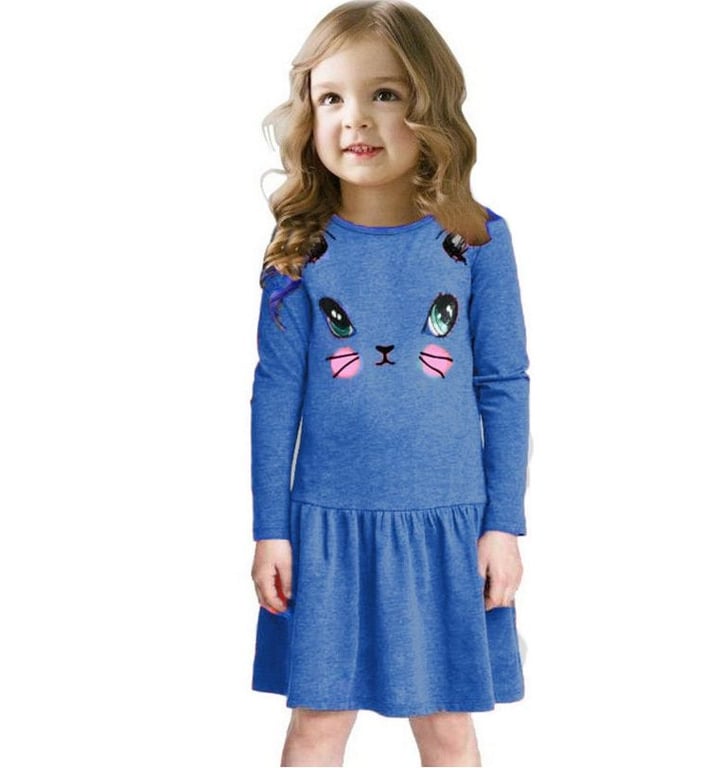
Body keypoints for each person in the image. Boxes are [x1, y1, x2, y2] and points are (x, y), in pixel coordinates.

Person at [249, 1, 530, 765]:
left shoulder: (475, 239)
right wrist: (270, 530)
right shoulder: (298, 248)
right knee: (316, 723)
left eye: (384, 94)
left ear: (428, 104)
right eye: (330, 97)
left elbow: (504, 383)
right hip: (324, 530)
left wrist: (502, 525)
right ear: (307, 112)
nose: (355, 119)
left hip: (447, 528)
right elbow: (274, 395)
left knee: (445, 727)